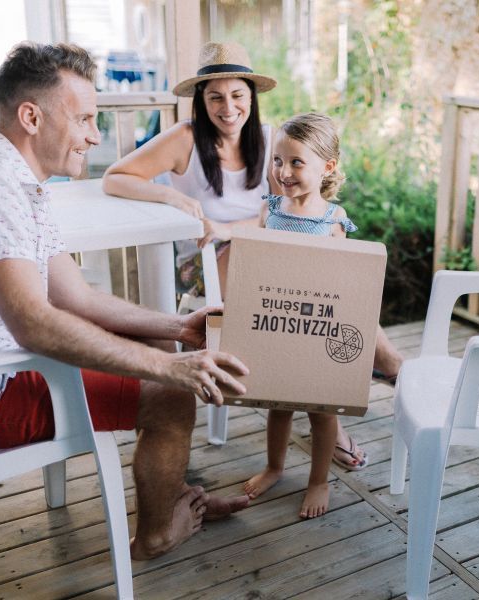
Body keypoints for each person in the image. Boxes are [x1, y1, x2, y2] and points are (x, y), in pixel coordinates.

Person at [0, 42, 251, 561]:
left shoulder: (16, 182)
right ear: (31, 117)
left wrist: (177, 328)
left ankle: (171, 494)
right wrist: (169, 370)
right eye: (84, 119)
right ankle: (157, 536)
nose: (94, 135)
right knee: (170, 394)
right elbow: (34, 324)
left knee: (160, 343)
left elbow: (76, 297)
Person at [103, 41, 403, 472]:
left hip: (267, 248)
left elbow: (287, 214)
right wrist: (171, 195)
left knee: (325, 289)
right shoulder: (185, 138)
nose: (228, 108)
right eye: (215, 97)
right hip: (207, 259)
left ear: (251, 97)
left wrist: (241, 230)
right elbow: (116, 177)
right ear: (201, 99)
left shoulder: (268, 139)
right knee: (307, 286)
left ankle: (345, 391)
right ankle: (383, 374)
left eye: (237, 95)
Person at [242, 112, 359, 518]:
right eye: (278, 160)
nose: (284, 171)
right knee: (278, 405)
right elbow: (259, 262)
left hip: (317, 327)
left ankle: (319, 480)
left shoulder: (333, 220)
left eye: (296, 162)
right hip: (279, 324)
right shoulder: (271, 208)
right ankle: (274, 467)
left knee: (321, 412)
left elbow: (342, 280)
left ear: (327, 167)